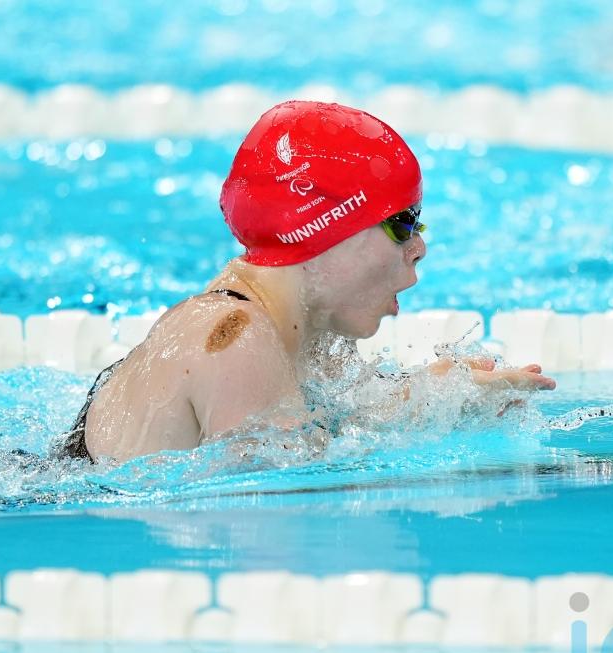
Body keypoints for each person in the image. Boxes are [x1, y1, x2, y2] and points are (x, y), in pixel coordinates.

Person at [57, 101, 554, 463]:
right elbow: (279, 510)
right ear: (325, 231)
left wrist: (441, 396)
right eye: (403, 222)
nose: (419, 246)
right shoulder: (236, 340)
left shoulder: (301, 333)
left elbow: (339, 429)